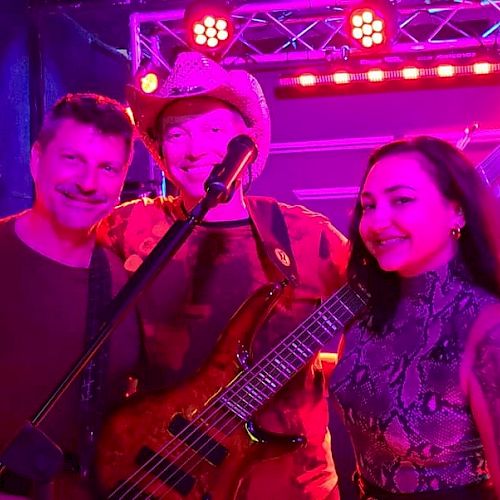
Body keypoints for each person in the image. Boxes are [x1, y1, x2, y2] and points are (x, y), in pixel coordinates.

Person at [97, 50, 349, 499]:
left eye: (214, 130)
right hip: (162, 476)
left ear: (243, 145)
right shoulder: (126, 228)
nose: (196, 149)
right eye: (178, 134)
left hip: (294, 487)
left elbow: (384, 308)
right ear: (160, 148)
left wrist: (335, 372)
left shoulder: (305, 235)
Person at [329, 136, 500, 499]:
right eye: (368, 206)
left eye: (402, 200)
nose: (377, 222)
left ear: (457, 211)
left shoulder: (485, 325)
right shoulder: (363, 312)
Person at [0, 93, 141, 499]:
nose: (88, 182)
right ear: (36, 159)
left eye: (107, 167)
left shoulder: (123, 285)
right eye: (73, 159)